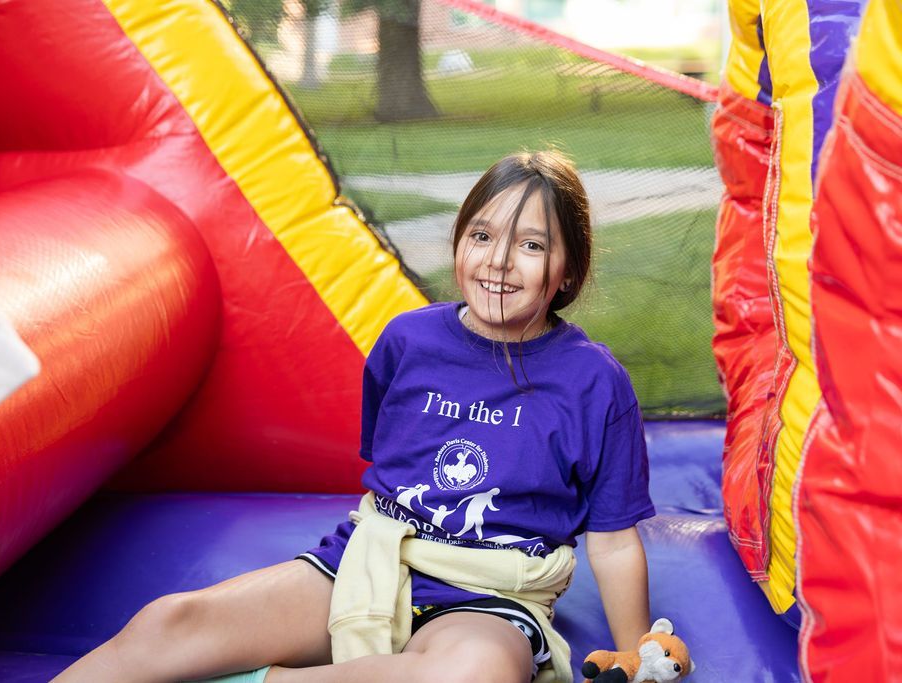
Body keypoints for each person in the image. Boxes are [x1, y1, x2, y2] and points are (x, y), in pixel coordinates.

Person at [53, 151, 653, 683]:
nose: (498, 262)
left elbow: (614, 542)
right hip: (369, 562)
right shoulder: (408, 342)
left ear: (568, 270)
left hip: (488, 595)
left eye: (531, 245)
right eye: (480, 235)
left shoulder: (594, 382)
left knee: (476, 674)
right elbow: (393, 470)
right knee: (169, 624)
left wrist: (637, 654)